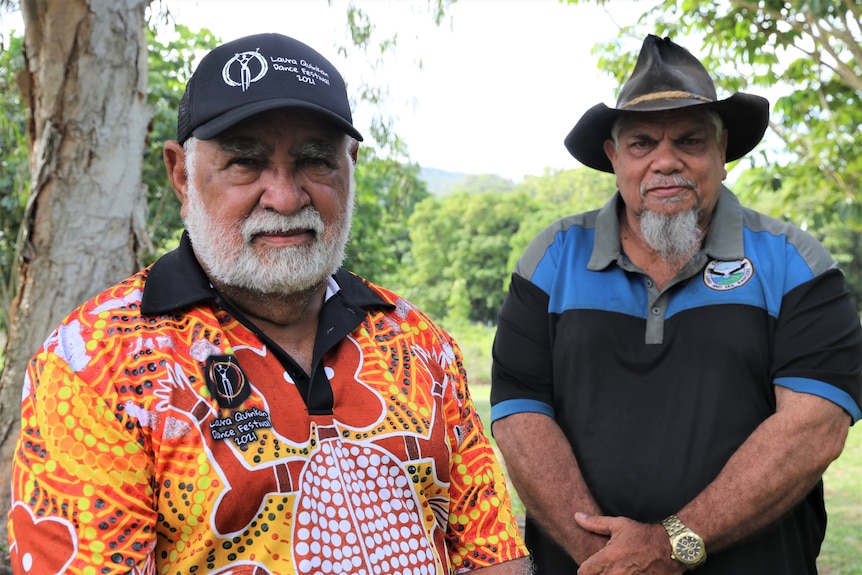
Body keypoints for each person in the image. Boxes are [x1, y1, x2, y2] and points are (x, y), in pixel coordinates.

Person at [7, 33, 531, 575]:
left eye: (314, 161)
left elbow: (491, 554)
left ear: (350, 165)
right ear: (181, 175)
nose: (284, 197)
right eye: (245, 163)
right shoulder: (95, 363)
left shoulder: (419, 343)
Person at [490, 34, 862, 575]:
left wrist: (672, 545)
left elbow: (814, 429)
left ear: (722, 154)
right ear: (614, 157)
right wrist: (610, 563)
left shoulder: (795, 263)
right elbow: (520, 417)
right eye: (642, 144)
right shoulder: (551, 259)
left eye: (690, 141)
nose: (666, 161)